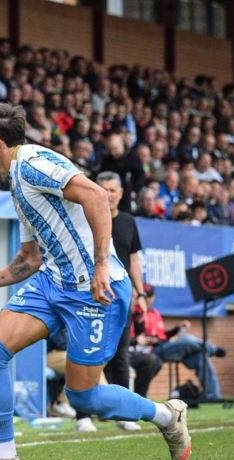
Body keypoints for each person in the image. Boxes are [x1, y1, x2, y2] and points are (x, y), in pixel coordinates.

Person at [0, 104, 190, 460]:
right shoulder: (15, 178)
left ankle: (166, 416)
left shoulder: (33, 163)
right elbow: (30, 259)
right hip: (54, 282)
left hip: (94, 288)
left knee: (85, 397)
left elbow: (98, 197)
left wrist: (100, 267)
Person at [95, 171, 150, 432]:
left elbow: (134, 260)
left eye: (112, 190)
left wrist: (139, 293)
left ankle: (124, 415)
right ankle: (82, 416)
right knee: (90, 353)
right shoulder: (89, 218)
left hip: (123, 299)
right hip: (94, 296)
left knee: (121, 358)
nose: (107, 194)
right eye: (102, 189)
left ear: (120, 193)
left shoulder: (128, 222)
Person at [134, 284, 225, 400]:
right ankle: (212, 349)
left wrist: (177, 328)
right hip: (151, 350)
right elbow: (136, 336)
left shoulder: (155, 312)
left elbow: (163, 335)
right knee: (187, 340)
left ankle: (213, 395)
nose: (146, 299)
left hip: (165, 346)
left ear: (154, 296)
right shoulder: (136, 312)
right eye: (144, 296)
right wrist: (151, 340)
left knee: (200, 355)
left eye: (149, 296)